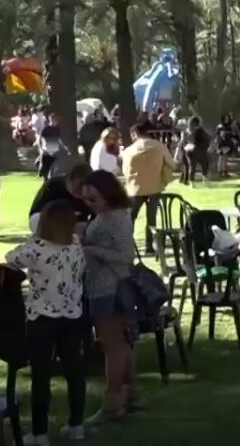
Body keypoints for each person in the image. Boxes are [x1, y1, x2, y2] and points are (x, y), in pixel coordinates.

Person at [6, 200, 87, 443]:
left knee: (41, 376)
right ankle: (76, 425)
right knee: (74, 372)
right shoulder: (75, 244)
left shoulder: (37, 249)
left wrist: (32, 240)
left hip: (42, 317)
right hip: (72, 315)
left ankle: (40, 432)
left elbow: (12, 257)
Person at [80, 171, 141, 423]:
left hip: (109, 288)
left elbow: (126, 257)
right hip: (105, 286)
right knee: (121, 344)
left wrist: (93, 250)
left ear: (107, 193)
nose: (89, 204)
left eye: (93, 198)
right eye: (86, 199)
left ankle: (113, 401)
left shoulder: (115, 218)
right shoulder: (110, 215)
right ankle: (132, 394)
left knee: (112, 347)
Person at [121, 123, 176, 255]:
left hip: (135, 189)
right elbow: (172, 165)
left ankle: (127, 246)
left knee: (130, 219)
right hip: (154, 187)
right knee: (151, 219)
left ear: (134, 134)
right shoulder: (159, 146)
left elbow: (124, 169)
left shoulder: (128, 150)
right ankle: (149, 247)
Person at [29, 163, 94, 228]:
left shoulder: (89, 195)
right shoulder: (53, 186)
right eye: (81, 184)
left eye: (87, 185)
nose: (83, 189)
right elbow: (36, 216)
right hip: (50, 224)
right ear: (71, 179)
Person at [177, 117, 211, 185]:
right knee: (192, 166)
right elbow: (208, 138)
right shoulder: (193, 131)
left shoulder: (189, 131)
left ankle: (187, 180)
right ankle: (188, 180)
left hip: (188, 149)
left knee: (190, 166)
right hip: (191, 149)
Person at [36, 113, 64, 179]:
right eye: (52, 118)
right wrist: (41, 149)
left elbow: (59, 140)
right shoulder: (46, 128)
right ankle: (44, 176)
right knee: (45, 167)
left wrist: (62, 147)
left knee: (53, 167)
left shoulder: (57, 129)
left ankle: (49, 178)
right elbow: (40, 139)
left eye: (54, 119)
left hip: (54, 151)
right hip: (47, 150)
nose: (54, 120)